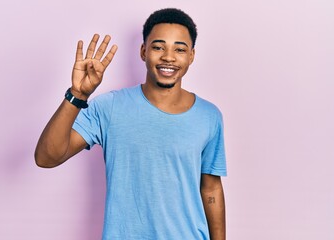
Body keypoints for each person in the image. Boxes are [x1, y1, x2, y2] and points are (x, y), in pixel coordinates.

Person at [35, 8, 227, 240]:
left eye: (179, 49)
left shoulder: (209, 116)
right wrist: (77, 95)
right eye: (158, 47)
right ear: (143, 51)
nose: (168, 56)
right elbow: (47, 158)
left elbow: (211, 188)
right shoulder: (109, 107)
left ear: (191, 56)